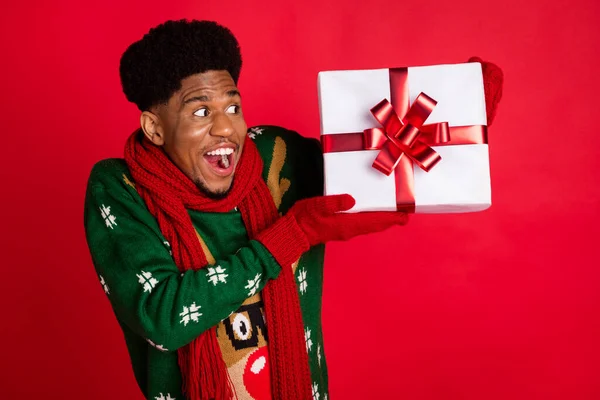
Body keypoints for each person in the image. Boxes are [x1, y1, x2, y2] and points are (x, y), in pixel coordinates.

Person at [84, 20, 502, 400]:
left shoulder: (275, 155)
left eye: (232, 107)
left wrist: (457, 116)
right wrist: (290, 235)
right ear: (154, 128)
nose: (226, 127)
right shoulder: (121, 187)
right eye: (200, 111)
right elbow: (162, 318)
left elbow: (378, 164)